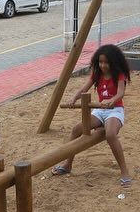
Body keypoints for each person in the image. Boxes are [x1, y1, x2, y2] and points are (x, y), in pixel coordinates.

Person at [50, 44, 133, 187]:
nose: (103, 65)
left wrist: (112, 100)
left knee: (110, 134)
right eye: (100, 62)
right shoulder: (97, 73)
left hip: (115, 109)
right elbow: (84, 88)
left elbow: (120, 92)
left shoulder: (118, 74)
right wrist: (74, 98)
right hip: (99, 110)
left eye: (106, 62)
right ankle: (67, 164)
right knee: (77, 129)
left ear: (113, 62)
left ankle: (124, 171)